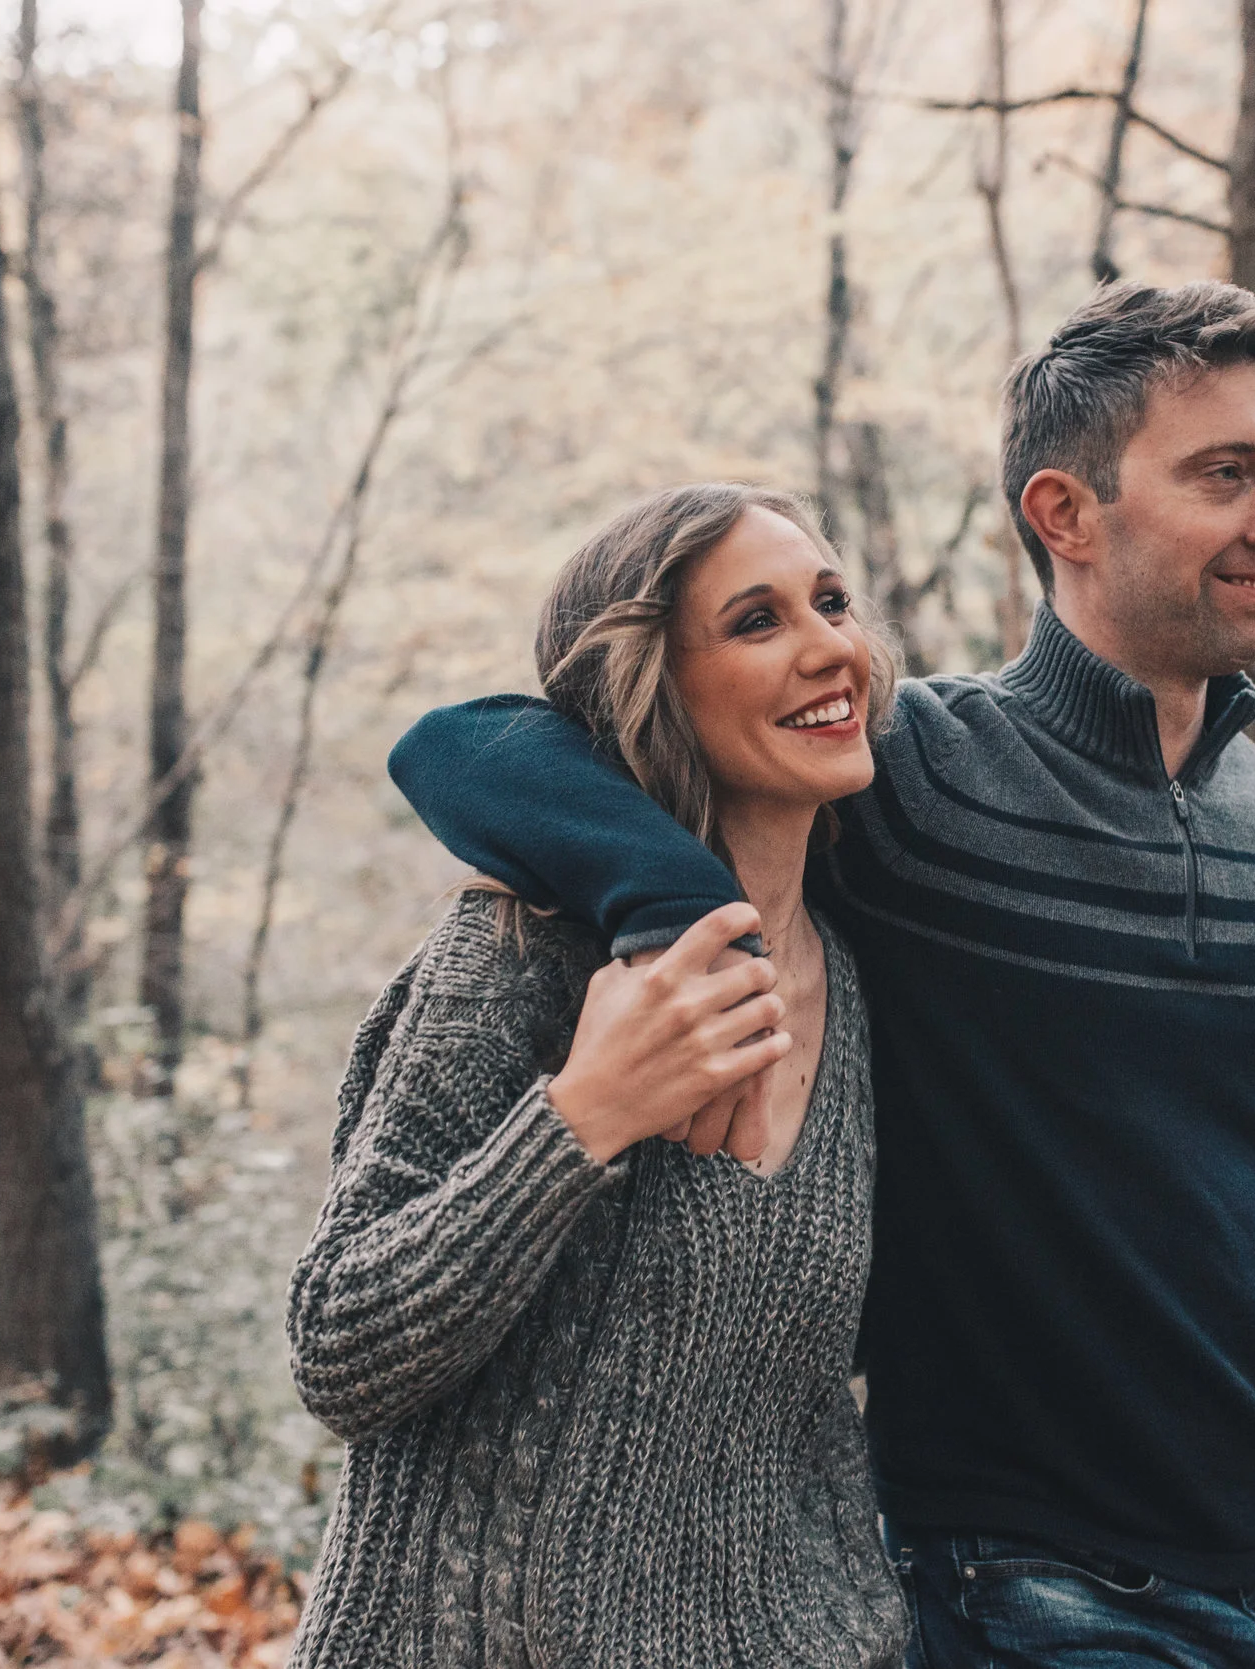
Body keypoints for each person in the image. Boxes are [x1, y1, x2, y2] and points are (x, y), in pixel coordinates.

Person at [391, 282, 1255, 1668]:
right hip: (1039, 1587)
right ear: (1065, 513)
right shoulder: (914, 780)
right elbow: (466, 744)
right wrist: (683, 908)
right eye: (1226, 473)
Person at [285, 484, 909, 1669]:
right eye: (758, 621)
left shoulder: (860, 990)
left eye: (831, 602)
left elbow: (799, 1408)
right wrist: (583, 1115)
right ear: (654, 688)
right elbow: (341, 1346)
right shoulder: (522, 954)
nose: (832, 646)